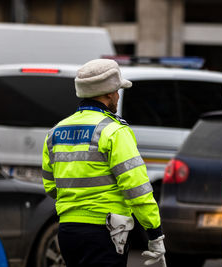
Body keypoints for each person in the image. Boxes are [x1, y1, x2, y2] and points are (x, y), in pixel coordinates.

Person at [42, 58, 166, 267]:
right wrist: (155, 233)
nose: (118, 96)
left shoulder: (56, 132)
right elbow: (137, 188)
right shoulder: (114, 131)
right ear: (109, 93)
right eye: (117, 90)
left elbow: (51, 186)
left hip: (67, 231)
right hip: (106, 232)